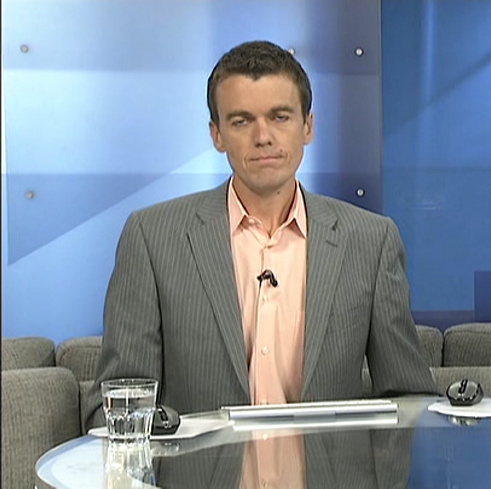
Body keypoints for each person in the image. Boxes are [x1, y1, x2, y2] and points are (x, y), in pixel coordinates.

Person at [83, 40, 437, 430]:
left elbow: (409, 400)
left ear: (308, 126)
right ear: (217, 135)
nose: (263, 136)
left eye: (280, 117)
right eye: (241, 121)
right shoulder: (152, 238)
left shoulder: (370, 241)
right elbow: (119, 402)